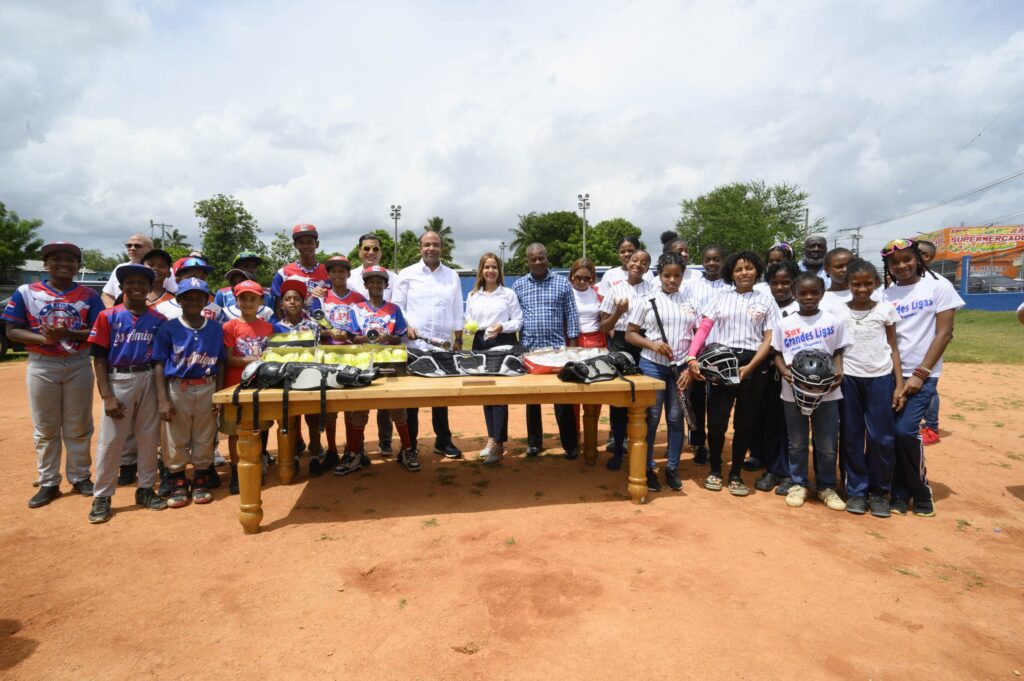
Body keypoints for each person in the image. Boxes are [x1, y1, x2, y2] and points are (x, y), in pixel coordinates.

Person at [4, 242, 103, 508]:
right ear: (46, 264)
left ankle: (80, 476)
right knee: (46, 427)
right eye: (56, 259)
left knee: (79, 424)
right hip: (42, 363)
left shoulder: (88, 295)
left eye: (71, 260)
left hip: (78, 362)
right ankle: (48, 481)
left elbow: (97, 332)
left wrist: (67, 334)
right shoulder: (27, 292)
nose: (64, 264)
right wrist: (43, 338)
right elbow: (12, 331)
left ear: (78, 265)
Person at [881, 239, 964, 517]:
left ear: (918, 258)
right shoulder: (886, 295)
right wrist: (897, 378)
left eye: (907, 259)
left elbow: (944, 334)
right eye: (895, 262)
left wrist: (920, 374)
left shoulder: (938, 287)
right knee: (891, 434)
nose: (901, 266)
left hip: (923, 374)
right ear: (888, 266)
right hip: (892, 374)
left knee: (906, 431)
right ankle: (899, 492)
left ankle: (920, 491)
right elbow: (889, 341)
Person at [686, 250, 779, 496]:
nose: (744, 273)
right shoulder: (720, 296)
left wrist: (750, 367)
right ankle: (716, 470)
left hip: (754, 363)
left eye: (748, 268)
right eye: (738, 269)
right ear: (731, 273)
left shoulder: (766, 299)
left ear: (757, 270)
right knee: (716, 420)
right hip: (722, 361)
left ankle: (736, 473)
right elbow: (704, 327)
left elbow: (769, 338)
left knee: (745, 422)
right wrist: (692, 355)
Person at [86, 264, 168, 523]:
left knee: (148, 437)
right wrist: (106, 395)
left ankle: (145, 489)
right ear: (121, 287)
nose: (136, 287)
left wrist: (161, 395)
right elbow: (98, 358)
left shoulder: (158, 320)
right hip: (118, 377)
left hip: (149, 378)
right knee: (112, 441)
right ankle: (102, 496)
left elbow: (159, 361)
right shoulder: (108, 316)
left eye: (142, 283)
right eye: (130, 283)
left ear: (149, 288)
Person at [771, 272, 851, 511]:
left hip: (827, 392)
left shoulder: (833, 321)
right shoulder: (785, 322)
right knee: (796, 441)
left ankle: (826, 485)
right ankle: (798, 483)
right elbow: (776, 352)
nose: (808, 297)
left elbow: (837, 352)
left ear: (822, 294)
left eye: (814, 292)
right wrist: (783, 370)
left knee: (826, 442)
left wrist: (839, 372)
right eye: (803, 293)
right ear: (794, 294)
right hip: (792, 390)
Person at [626, 252, 700, 492]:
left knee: (676, 419)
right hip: (652, 365)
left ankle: (672, 467)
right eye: (667, 275)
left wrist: (690, 366)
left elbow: (699, 337)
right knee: (652, 418)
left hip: (681, 369)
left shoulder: (691, 302)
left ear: (682, 276)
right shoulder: (647, 300)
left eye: (677, 275)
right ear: (659, 275)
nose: (672, 280)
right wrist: (652, 344)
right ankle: (647, 467)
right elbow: (630, 334)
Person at [336, 266, 420, 474]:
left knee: (397, 409)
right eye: (371, 282)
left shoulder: (393, 309)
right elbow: (352, 337)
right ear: (365, 285)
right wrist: (370, 338)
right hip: (363, 363)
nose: (375, 285)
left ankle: (408, 450)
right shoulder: (357, 308)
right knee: (359, 410)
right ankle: (354, 453)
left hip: (389, 364)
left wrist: (387, 338)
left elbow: (399, 336)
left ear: (386, 285)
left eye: (380, 282)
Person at [837, 259, 903, 518]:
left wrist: (898, 384)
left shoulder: (885, 310)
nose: (862, 289)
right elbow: (836, 348)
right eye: (856, 284)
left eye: (867, 284)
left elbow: (893, 347)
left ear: (876, 283)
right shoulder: (839, 312)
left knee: (880, 437)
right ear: (848, 285)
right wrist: (839, 370)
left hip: (880, 378)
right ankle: (856, 490)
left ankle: (879, 492)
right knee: (852, 436)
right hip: (849, 379)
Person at [153, 278, 226, 508]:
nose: (193, 301)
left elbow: (222, 362)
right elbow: (158, 364)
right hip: (178, 386)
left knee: (205, 434)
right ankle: (178, 481)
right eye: (188, 297)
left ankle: (201, 479)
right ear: (179, 299)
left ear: (206, 300)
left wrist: (219, 393)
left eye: (198, 297)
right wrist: (163, 400)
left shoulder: (215, 328)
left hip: (207, 385)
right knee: (176, 436)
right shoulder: (169, 327)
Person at [393, 231, 464, 458]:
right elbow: (397, 307)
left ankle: (443, 441)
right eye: (427, 245)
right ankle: (410, 445)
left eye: (435, 245)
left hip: (441, 346)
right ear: (419, 248)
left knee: (440, 397)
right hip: (414, 346)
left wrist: (459, 338)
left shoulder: (452, 275)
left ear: (441, 248)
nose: (431, 248)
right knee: (412, 399)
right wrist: (406, 326)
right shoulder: (406, 274)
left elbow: (456, 309)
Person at [512, 243, 580, 459]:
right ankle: (534, 443)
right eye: (533, 259)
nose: (538, 262)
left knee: (563, 400)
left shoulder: (562, 283)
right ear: (528, 261)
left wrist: (572, 350)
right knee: (532, 400)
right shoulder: (519, 285)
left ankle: (569, 444)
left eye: (541, 257)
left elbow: (572, 316)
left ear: (547, 258)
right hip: (531, 350)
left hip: (558, 351)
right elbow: (514, 317)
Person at [464, 253, 523, 464]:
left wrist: (502, 326)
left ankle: (499, 443)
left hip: (503, 341)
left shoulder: (508, 294)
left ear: (499, 271)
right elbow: (469, 320)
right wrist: (469, 328)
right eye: (487, 267)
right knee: (486, 392)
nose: (490, 271)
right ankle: (491, 438)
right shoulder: (473, 295)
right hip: (481, 343)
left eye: (494, 267)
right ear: (481, 270)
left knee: (499, 394)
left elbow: (518, 321)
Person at [749, 259, 800, 494]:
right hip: (767, 371)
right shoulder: (764, 307)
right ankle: (771, 467)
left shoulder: (802, 308)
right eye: (774, 283)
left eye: (785, 283)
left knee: (789, 425)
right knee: (768, 419)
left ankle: (789, 471)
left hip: (793, 375)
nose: (780, 288)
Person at [598, 249, 653, 469]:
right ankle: (618, 451)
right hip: (620, 343)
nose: (638, 265)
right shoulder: (615, 289)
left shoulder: (653, 289)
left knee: (643, 402)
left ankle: (640, 453)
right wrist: (619, 313)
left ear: (648, 267)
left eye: (644, 262)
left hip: (645, 343)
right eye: (634, 260)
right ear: (627, 262)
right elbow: (603, 326)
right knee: (620, 402)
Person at [221, 280, 276, 493]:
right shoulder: (229, 326)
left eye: (253, 298)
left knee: (260, 428)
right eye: (243, 298)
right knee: (236, 431)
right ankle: (237, 472)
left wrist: (260, 362)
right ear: (236, 301)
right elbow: (227, 359)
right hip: (235, 385)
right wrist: (253, 361)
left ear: (261, 301)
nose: (248, 302)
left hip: (260, 385)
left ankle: (257, 466)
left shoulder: (267, 327)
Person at [349, 234, 398, 455]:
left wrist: (387, 335)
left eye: (375, 249)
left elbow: (395, 312)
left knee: (386, 401)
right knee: (358, 402)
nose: (371, 252)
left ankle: (385, 440)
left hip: (386, 355)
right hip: (358, 354)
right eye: (366, 248)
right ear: (359, 250)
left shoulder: (393, 277)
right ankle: (356, 446)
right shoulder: (348, 277)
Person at [274, 277, 326, 469]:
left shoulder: (312, 325)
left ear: (303, 302)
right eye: (288, 299)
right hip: (285, 379)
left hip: (308, 376)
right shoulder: (276, 327)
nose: (293, 302)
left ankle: (314, 454)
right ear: (282, 303)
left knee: (312, 418)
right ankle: (293, 455)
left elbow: (317, 349)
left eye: (297, 298)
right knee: (290, 418)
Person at [685, 245, 731, 465]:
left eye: (717, 259)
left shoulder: (730, 285)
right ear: (702, 261)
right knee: (696, 399)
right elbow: (691, 315)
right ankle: (698, 443)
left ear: (723, 261)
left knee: (718, 401)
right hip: (697, 348)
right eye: (708, 259)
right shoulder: (693, 285)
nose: (712, 263)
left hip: (722, 350)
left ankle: (715, 446)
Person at [914, 239, 953, 446]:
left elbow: (946, 326)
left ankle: (931, 426)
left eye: (916, 253)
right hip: (904, 352)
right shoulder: (899, 282)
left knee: (929, 388)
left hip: (928, 350)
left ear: (927, 257)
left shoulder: (939, 283)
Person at [270, 223, 330, 317]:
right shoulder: (283, 273)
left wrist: (327, 293)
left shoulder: (329, 272)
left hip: (322, 327)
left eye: (310, 242)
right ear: (295, 245)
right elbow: (278, 306)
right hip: (293, 329)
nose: (306, 246)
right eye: (301, 243)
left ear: (317, 244)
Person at [155, 257, 222, 321]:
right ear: (178, 281)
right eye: (192, 277)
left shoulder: (217, 310)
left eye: (201, 278)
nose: (196, 281)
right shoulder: (161, 309)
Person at [101, 233, 157, 307]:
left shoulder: (161, 271)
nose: (132, 248)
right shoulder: (120, 268)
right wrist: (115, 313)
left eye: (137, 246)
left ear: (151, 250)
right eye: (129, 245)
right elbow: (107, 294)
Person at [570, 258, 606, 348]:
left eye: (587, 278)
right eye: (578, 277)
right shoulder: (566, 293)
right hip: (573, 340)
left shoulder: (599, 292)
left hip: (596, 340)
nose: (582, 282)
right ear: (572, 276)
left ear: (592, 277)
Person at [820, 247, 855, 315]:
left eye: (850, 265)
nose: (845, 269)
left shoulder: (867, 294)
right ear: (827, 270)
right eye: (839, 266)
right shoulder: (820, 299)